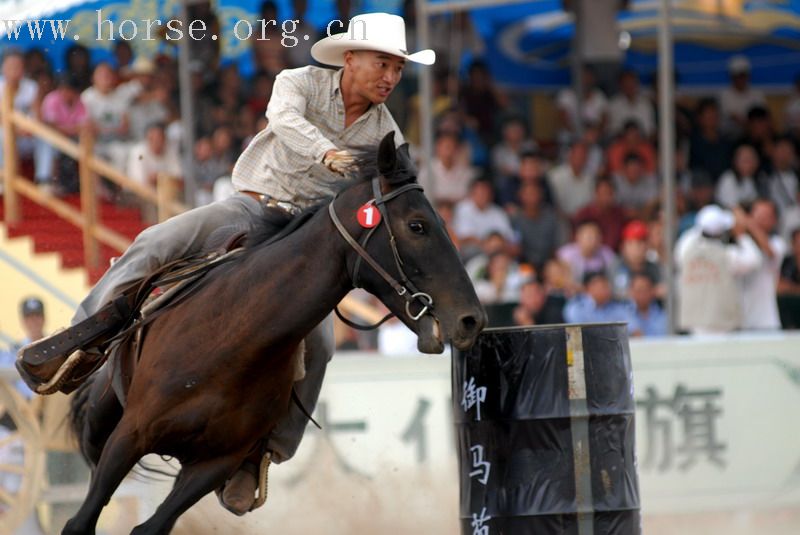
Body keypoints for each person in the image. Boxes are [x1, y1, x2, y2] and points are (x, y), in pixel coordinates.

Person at [17, 12, 435, 516]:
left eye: (397, 68)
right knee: (154, 242)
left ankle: (261, 454)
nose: (391, 77)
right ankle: (79, 340)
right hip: (252, 205)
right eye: (383, 64)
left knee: (321, 344)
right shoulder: (296, 81)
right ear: (351, 58)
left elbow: (398, 191)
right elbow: (283, 121)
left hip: (307, 243)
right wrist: (327, 154)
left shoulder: (386, 133)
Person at [675, 204, 761, 334]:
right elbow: (754, 259)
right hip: (722, 323)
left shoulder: (684, 251)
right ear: (721, 232)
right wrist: (741, 234)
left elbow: (688, 240)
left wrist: (700, 228)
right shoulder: (729, 255)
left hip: (694, 325)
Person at [740, 199, 787, 330]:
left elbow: (770, 252)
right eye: (757, 215)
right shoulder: (742, 243)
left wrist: (748, 223)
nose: (759, 220)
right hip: (741, 320)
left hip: (766, 320)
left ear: (774, 221)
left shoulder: (778, 243)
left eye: (765, 216)